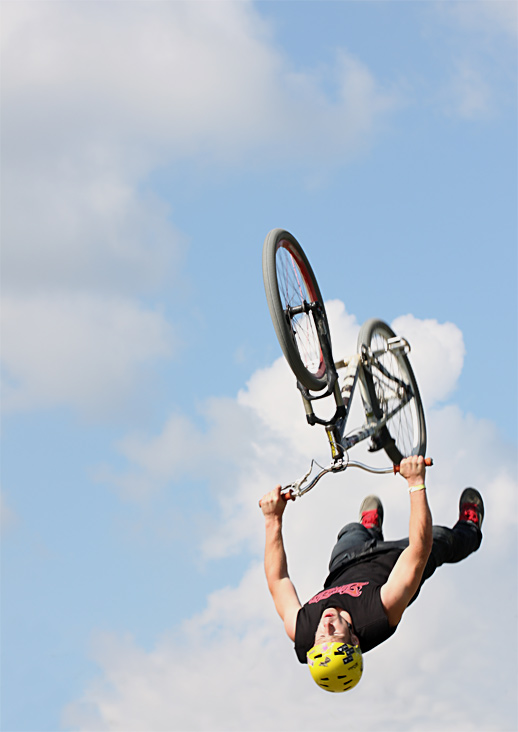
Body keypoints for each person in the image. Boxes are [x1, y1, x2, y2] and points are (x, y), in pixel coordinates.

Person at [259, 455, 483, 693]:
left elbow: (278, 580)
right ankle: (470, 528)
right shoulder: (380, 611)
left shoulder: (302, 629)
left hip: (350, 557)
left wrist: (272, 519)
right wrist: (416, 482)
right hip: (400, 556)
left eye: (320, 640)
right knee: (442, 539)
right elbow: (419, 549)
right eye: (334, 635)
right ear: (354, 640)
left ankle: (369, 529)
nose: (325, 628)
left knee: (350, 531)